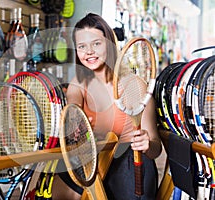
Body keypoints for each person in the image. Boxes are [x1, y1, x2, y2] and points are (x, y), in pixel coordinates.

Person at [52, 13, 162, 200]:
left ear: (109, 44)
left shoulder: (132, 85)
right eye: (82, 46)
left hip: (129, 160)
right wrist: (75, 126)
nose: (89, 52)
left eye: (96, 43)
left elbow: (156, 147)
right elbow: (72, 111)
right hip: (93, 157)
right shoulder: (78, 84)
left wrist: (146, 144)